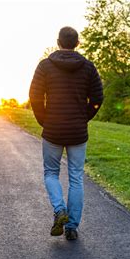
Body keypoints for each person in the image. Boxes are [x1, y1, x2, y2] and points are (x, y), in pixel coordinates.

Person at [29, 26, 103, 240]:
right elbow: (98, 98)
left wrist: (44, 120)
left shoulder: (45, 66)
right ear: (77, 43)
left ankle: (59, 209)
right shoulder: (88, 67)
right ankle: (71, 227)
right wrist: (84, 117)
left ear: (58, 42)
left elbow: (34, 96)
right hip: (78, 132)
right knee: (76, 177)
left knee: (51, 172)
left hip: (53, 129)